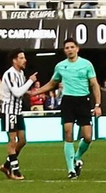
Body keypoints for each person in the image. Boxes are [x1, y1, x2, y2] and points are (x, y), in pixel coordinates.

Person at [29, 38, 101, 178]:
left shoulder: (86, 64)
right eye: (67, 47)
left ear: (77, 49)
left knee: (87, 137)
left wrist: (97, 105)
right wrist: (35, 92)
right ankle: (71, 171)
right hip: (68, 101)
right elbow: (52, 83)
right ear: (64, 50)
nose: (69, 50)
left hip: (83, 100)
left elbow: (94, 85)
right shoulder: (60, 66)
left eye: (72, 47)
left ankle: (76, 158)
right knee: (68, 132)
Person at [0, 50, 36, 180]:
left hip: (18, 111)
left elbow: (21, 91)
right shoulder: (9, 74)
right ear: (14, 60)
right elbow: (17, 92)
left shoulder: (21, 73)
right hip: (8, 110)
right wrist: (30, 82)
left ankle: (7, 165)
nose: (24, 60)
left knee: (23, 140)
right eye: (21, 58)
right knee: (12, 140)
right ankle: (15, 170)